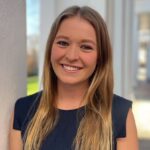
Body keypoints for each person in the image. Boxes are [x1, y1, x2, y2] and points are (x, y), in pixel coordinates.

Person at [9, 5, 138, 150]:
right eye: (63, 43)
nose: (71, 56)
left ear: (100, 57)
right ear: (50, 48)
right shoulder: (23, 109)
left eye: (86, 47)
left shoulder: (119, 113)